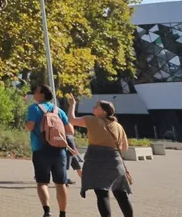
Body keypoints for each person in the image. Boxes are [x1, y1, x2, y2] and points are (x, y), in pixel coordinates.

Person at [67, 98, 134, 217]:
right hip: (115, 162)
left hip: (97, 161)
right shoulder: (118, 126)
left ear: (104, 112)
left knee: (102, 193)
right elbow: (124, 148)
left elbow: (71, 120)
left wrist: (72, 105)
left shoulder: (92, 120)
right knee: (121, 194)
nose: (94, 107)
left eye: (97, 106)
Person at [25, 84, 75, 217]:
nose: (34, 94)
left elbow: (30, 127)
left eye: (36, 91)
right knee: (61, 183)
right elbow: (70, 131)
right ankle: (63, 213)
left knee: (42, 183)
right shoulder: (58, 111)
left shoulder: (34, 108)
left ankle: (47, 211)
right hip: (59, 150)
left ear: (42, 94)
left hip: (40, 149)